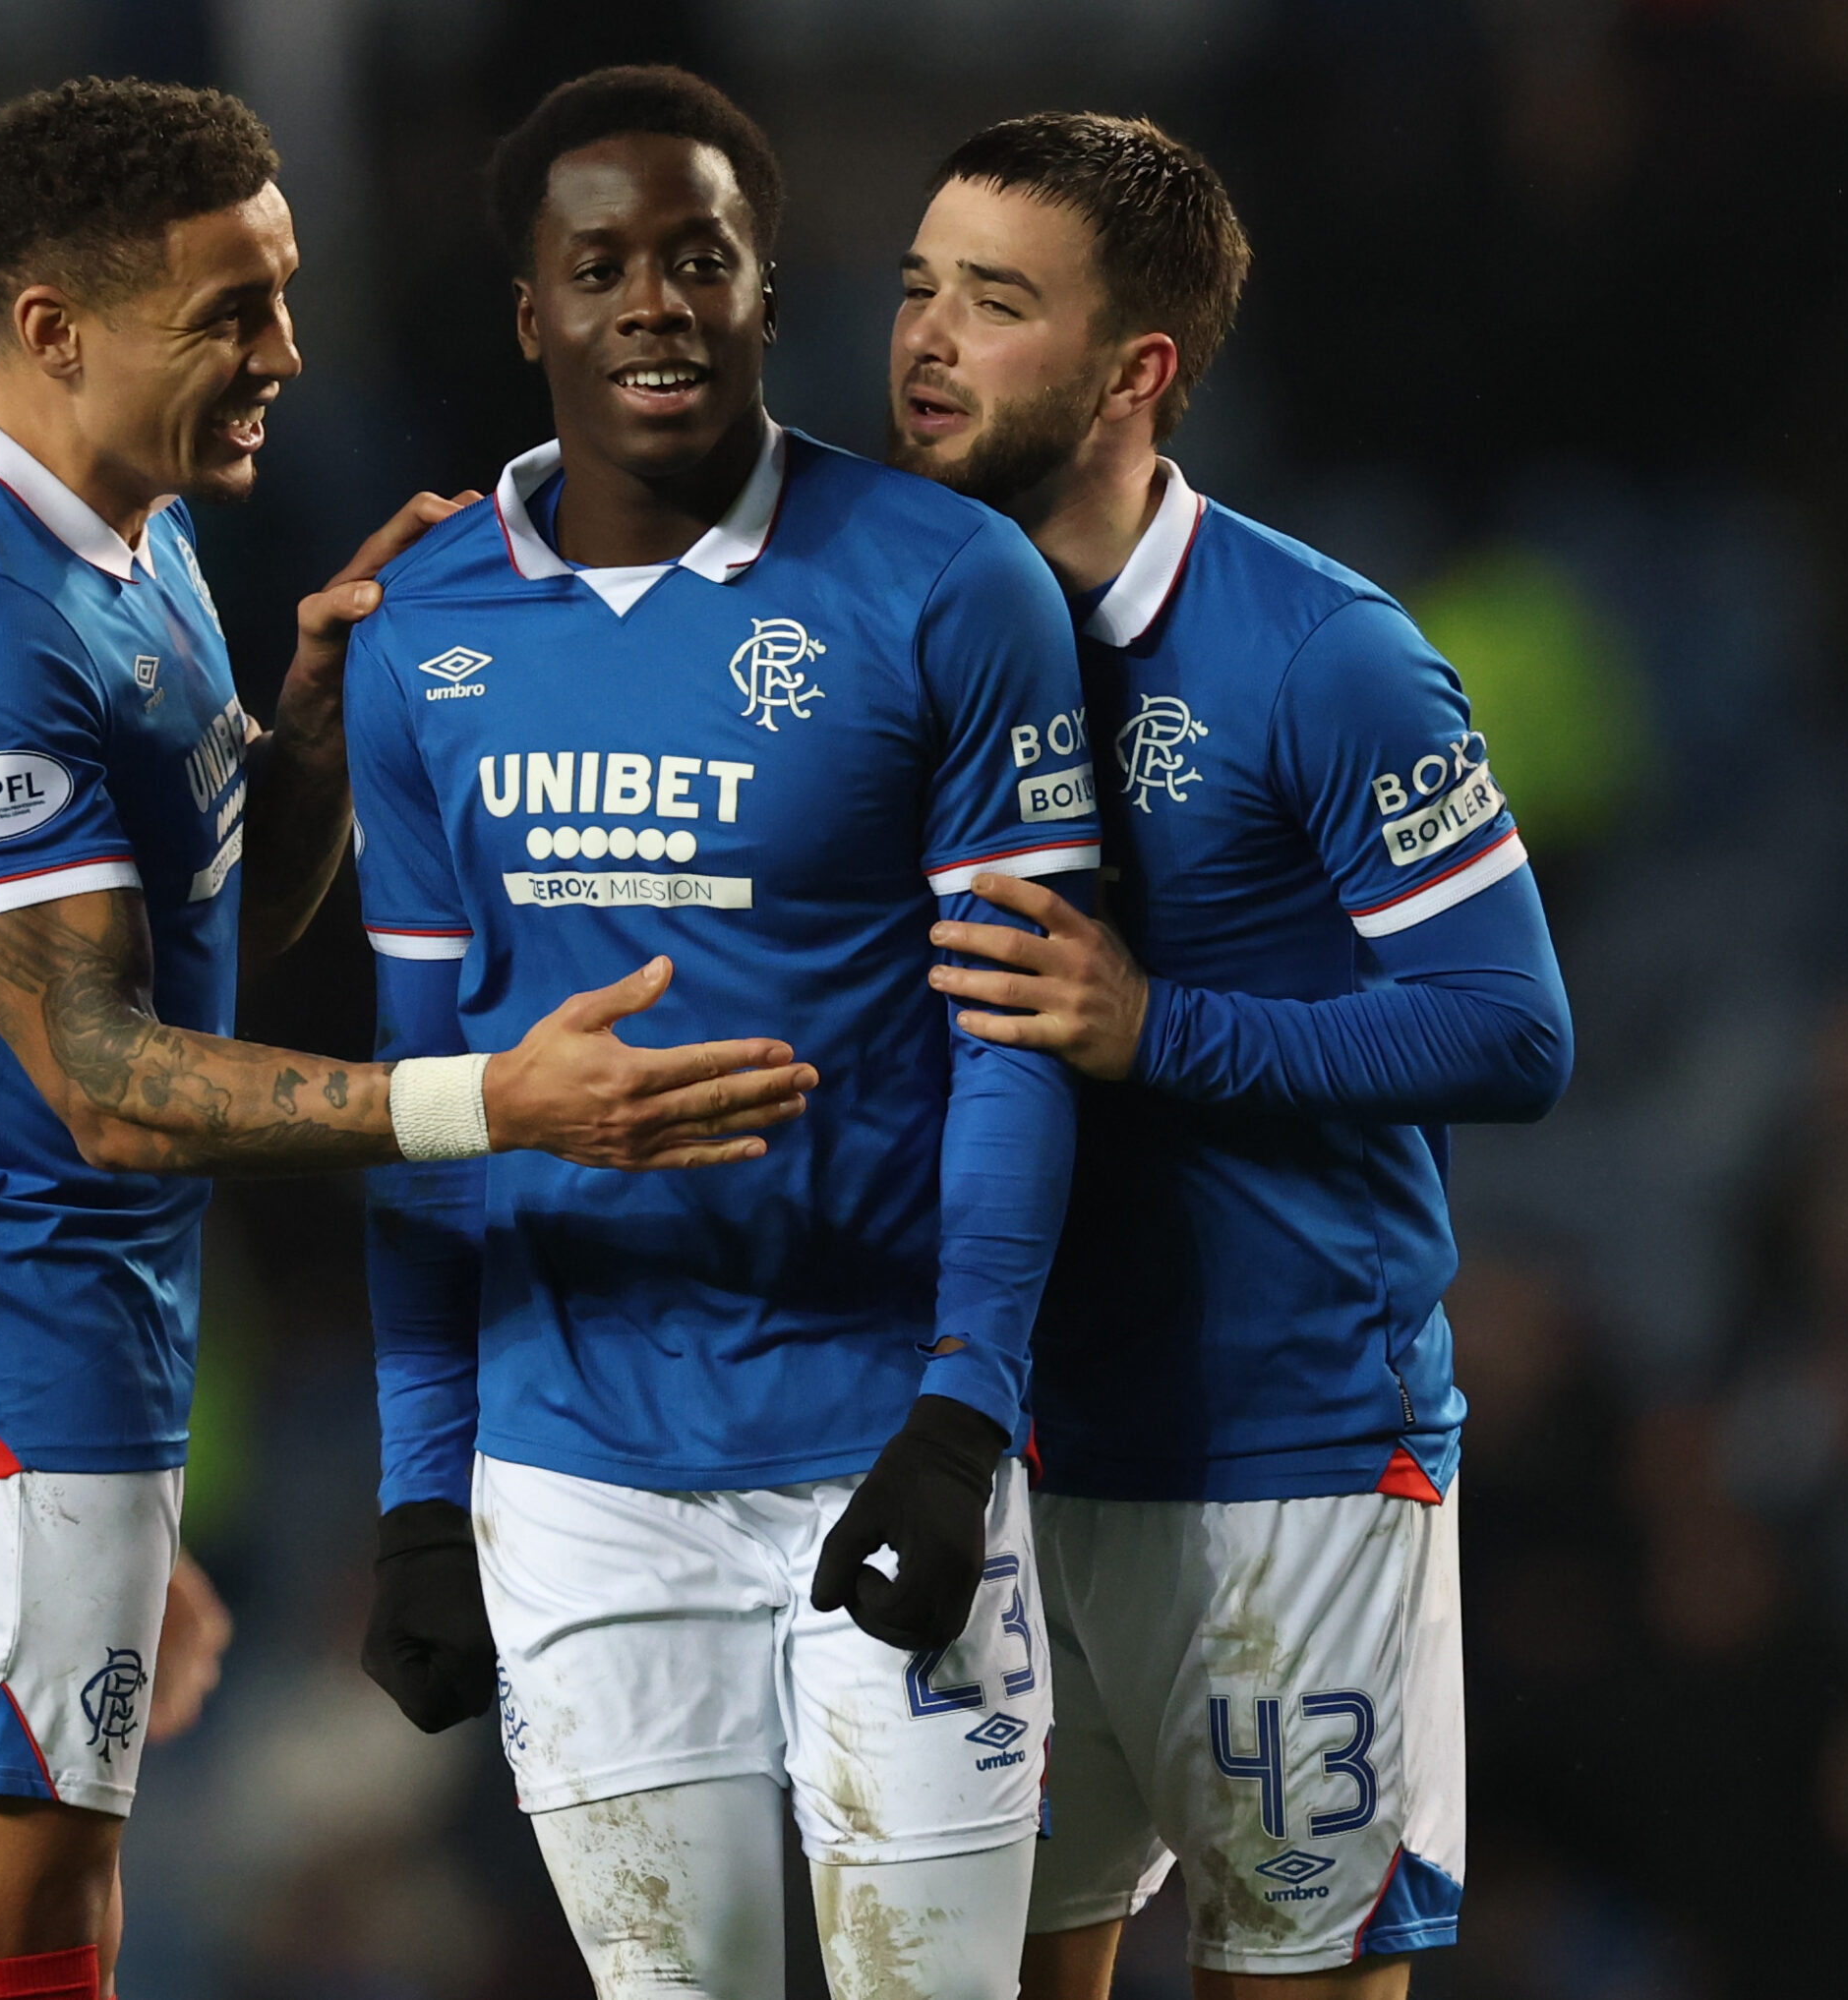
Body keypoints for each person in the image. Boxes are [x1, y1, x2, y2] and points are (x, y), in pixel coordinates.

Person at [0, 76, 815, 2000]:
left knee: (42, 1945)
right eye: (229, 314)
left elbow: (184, 935)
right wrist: (495, 1100)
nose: (284, 354)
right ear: (57, 325)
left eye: (283, 293)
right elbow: (106, 1079)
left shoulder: (107, 512)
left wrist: (298, 737)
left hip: (25, 1329)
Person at [348, 68, 1099, 2000]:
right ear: (530, 308)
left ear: (770, 285)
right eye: (599, 266)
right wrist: (420, 1491)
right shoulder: (418, 630)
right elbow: (418, 1092)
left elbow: (1016, 1044)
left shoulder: (951, 586)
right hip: (576, 1477)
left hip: (882, 1429)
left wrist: (966, 1414)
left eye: (700, 259)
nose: (653, 305)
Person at [890, 114, 1575, 1997]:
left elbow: (1514, 1027)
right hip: (996, 1448)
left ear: (1137, 373)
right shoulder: (891, 625)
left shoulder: (1322, 654)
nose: (929, 337)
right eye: (919, 286)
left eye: (996, 301)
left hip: (1286, 1455)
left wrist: (1155, 1025)